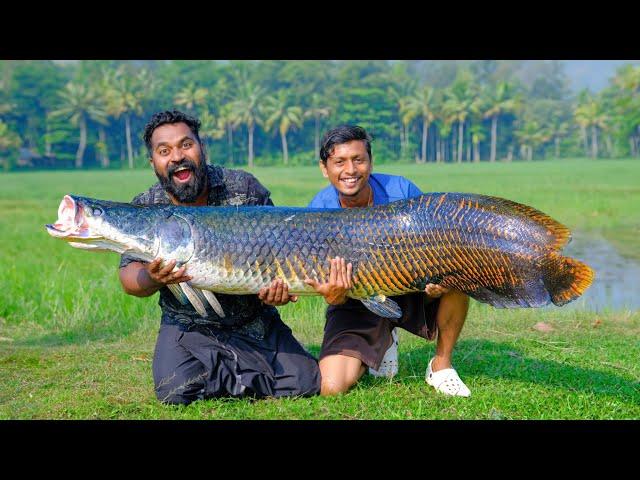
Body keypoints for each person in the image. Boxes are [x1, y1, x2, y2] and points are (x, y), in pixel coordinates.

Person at [118, 110, 320, 405]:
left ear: (202, 148)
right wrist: (151, 277)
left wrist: (276, 291)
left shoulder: (243, 190)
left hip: (253, 320)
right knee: (174, 392)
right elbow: (128, 278)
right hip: (188, 325)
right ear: (154, 163)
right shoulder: (147, 207)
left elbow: (281, 249)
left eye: (186, 145)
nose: (177, 156)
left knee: (307, 382)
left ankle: (231, 371)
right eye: (164, 151)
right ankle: (240, 374)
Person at [306, 125, 471, 397]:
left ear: (370, 163)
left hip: (409, 287)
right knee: (331, 387)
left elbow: (436, 243)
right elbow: (324, 281)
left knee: (458, 272)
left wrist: (438, 279)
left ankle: (441, 366)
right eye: (339, 162)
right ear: (325, 168)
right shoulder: (319, 211)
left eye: (358, 160)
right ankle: (382, 341)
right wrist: (333, 296)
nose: (350, 170)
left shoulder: (401, 190)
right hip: (355, 299)